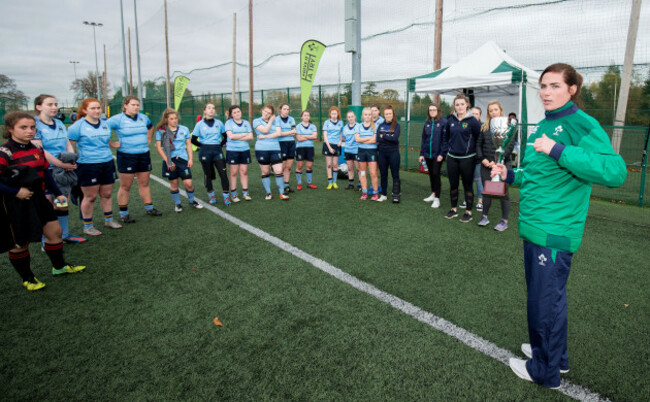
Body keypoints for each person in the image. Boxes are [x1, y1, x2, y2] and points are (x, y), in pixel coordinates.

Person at [490, 63, 626, 389]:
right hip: (536, 228)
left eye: (554, 86)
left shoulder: (580, 124)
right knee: (551, 300)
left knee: (543, 303)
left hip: (554, 232)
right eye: (543, 86)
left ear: (572, 89)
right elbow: (536, 175)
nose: (546, 92)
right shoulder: (543, 125)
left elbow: (615, 171)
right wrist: (507, 175)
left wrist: (558, 149)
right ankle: (555, 356)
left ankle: (545, 371)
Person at [0, 112, 86, 291]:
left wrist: (58, 193)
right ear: (10, 129)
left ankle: (59, 267)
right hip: (16, 203)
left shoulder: (38, 149)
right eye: (23, 128)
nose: (29, 131)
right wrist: (16, 191)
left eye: (32, 127)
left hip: (39, 198)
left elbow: (47, 173)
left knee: (55, 232)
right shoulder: (5, 152)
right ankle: (28, 278)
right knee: (20, 242)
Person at [33, 94, 86, 243]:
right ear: (38, 106)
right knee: (48, 204)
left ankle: (64, 235)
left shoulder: (60, 123)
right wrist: (61, 164)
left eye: (56, 104)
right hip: (47, 171)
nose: (54, 107)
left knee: (62, 203)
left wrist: (71, 158)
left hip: (63, 170)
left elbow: (67, 142)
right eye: (49, 104)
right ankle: (47, 239)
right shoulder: (34, 124)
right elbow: (40, 150)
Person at [67, 98, 123, 235]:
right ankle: (88, 226)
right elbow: (70, 146)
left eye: (98, 108)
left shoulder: (105, 124)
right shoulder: (77, 126)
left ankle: (108, 220)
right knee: (90, 196)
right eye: (93, 108)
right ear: (85, 110)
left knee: (107, 194)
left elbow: (104, 137)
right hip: (88, 165)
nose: (97, 111)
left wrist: (112, 144)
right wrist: (70, 162)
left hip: (107, 162)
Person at [106, 96, 161, 222]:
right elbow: (103, 128)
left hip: (143, 154)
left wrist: (148, 139)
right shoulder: (117, 119)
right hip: (126, 156)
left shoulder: (143, 118)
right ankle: (123, 213)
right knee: (126, 186)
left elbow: (150, 127)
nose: (136, 107)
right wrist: (112, 144)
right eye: (133, 105)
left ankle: (149, 207)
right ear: (125, 105)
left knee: (144, 183)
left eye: (137, 105)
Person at [155, 108, 204, 212]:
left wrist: (190, 158)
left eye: (176, 118)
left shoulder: (184, 129)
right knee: (174, 184)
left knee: (189, 184)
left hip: (182, 160)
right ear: (166, 120)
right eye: (172, 119)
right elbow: (159, 148)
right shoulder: (162, 131)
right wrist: (168, 161)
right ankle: (177, 204)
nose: (174, 120)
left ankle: (192, 201)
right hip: (170, 160)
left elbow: (188, 145)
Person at [476, 100, 514, 231]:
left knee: (503, 193)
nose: (493, 113)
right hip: (486, 166)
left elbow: (509, 147)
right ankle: (484, 216)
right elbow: (478, 145)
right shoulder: (485, 127)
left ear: (500, 110)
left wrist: (497, 162)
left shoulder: (508, 126)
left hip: (502, 166)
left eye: (495, 110)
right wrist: (483, 160)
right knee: (487, 192)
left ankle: (504, 220)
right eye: (490, 110)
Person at [443, 93, 481, 223]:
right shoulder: (450, 120)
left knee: (467, 185)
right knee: (453, 185)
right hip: (452, 158)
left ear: (467, 105)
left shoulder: (473, 121)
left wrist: (477, 155)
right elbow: (446, 136)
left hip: (468, 158)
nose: (459, 107)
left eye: (462, 104)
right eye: (457, 104)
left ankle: (468, 212)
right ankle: (453, 209)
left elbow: (478, 139)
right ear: (454, 106)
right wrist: (448, 149)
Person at [191, 103, 231, 205]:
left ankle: (226, 197)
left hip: (217, 151)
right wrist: (202, 146)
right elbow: (193, 139)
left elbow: (225, 137)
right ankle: (211, 196)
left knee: (223, 174)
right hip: (205, 152)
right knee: (208, 175)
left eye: (213, 108)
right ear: (204, 111)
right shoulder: (199, 124)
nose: (211, 110)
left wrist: (220, 144)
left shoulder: (219, 123)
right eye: (209, 108)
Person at [253, 105, 289, 200]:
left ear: (271, 114)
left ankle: (282, 193)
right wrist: (270, 121)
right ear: (262, 111)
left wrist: (264, 137)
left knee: (278, 170)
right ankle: (268, 193)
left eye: (269, 113)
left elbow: (278, 133)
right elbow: (265, 130)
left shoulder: (276, 121)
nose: (266, 114)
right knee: (265, 171)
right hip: (261, 149)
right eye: (265, 111)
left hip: (275, 148)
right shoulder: (256, 121)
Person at [419, 103, 447, 208]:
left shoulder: (444, 122)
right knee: (431, 174)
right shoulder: (427, 123)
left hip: (438, 155)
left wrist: (442, 154)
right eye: (430, 110)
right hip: (427, 154)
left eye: (434, 110)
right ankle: (433, 193)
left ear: (438, 110)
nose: (432, 112)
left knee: (436, 174)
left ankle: (437, 199)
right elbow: (423, 139)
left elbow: (445, 140)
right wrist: (422, 154)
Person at [224, 105, 254, 201]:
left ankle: (245, 193)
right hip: (232, 151)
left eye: (238, 111)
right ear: (231, 115)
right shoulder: (228, 123)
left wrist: (237, 136)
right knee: (233, 172)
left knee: (244, 172)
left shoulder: (246, 123)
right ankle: (234, 194)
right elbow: (231, 136)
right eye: (234, 112)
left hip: (245, 150)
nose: (237, 113)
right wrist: (244, 134)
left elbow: (251, 137)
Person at [376, 105, 401, 203]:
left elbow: (395, 138)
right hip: (382, 153)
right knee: (383, 174)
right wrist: (389, 135)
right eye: (386, 114)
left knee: (395, 174)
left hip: (393, 153)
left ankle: (396, 195)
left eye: (390, 113)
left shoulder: (397, 125)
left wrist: (384, 136)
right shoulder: (381, 125)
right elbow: (378, 138)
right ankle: (383, 194)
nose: (388, 115)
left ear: (392, 114)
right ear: (384, 115)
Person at [355, 107, 379, 201]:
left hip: (372, 152)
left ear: (371, 115)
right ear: (362, 116)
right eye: (366, 114)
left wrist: (362, 140)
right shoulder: (358, 126)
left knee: (373, 173)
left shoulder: (375, 126)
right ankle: (364, 192)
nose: (368, 116)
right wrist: (368, 139)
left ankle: (375, 192)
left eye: (369, 114)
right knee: (363, 172)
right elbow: (357, 139)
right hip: (361, 152)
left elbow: (375, 140)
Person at [273, 103, 297, 193]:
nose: (286, 111)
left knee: (289, 167)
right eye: (284, 109)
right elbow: (279, 133)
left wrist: (287, 132)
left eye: (288, 109)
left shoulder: (292, 119)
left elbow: (294, 132)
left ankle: (286, 186)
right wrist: (289, 132)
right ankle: (281, 186)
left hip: (291, 143)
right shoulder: (276, 119)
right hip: (281, 144)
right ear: (280, 110)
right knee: (282, 167)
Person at [295, 110, 318, 190]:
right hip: (300, 148)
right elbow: (299, 138)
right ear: (301, 117)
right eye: (305, 115)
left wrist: (304, 136)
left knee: (309, 166)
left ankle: (309, 183)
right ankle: (299, 183)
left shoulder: (313, 126)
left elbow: (315, 137)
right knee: (300, 166)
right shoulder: (298, 126)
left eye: (308, 115)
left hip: (310, 148)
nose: (306, 117)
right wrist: (309, 136)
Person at [322, 106, 344, 190]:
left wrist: (340, 141)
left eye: (335, 113)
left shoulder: (341, 122)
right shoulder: (326, 122)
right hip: (328, 145)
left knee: (335, 165)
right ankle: (330, 182)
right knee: (329, 165)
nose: (334, 115)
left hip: (337, 145)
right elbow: (325, 136)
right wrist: (329, 147)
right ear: (330, 114)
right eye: (332, 114)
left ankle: (334, 182)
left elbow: (341, 133)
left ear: (337, 114)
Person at [342, 110, 361, 190]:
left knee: (358, 168)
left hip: (356, 150)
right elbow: (343, 138)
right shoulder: (345, 128)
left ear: (355, 117)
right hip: (347, 150)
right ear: (347, 118)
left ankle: (360, 184)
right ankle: (351, 183)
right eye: (349, 117)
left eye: (352, 116)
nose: (350, 118)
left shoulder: (359, 126)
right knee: (350, 168)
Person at [471, 106, 484, 212]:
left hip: (478, 159)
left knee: (479, 180)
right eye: (473, 113)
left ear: (480, 115)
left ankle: (480, 201)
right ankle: (468, 199)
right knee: (468, 180)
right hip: (468, 158)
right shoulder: (467, 125)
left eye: (476, 113)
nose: (474, 115)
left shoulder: (483, 127)